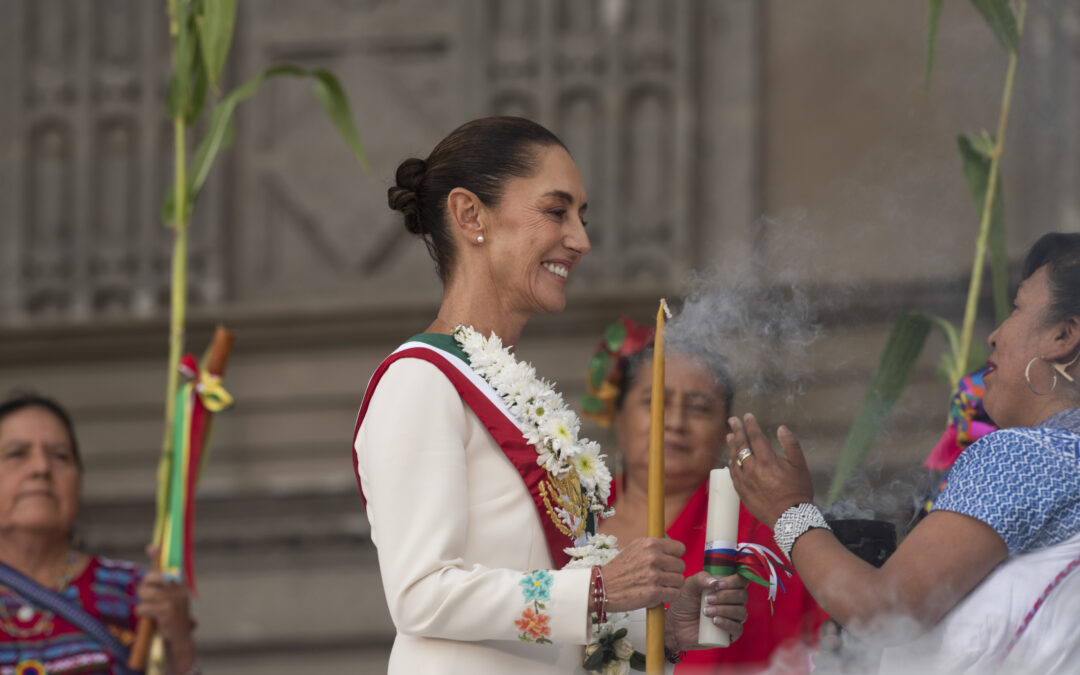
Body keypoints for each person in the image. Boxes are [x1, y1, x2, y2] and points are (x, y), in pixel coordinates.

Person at [351, 116, 749, 674]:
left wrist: (656, 625)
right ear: (470, 215)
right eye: (556, 211)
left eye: (582, 218)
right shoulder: (420, 381)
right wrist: (597, 590)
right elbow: (422, 594)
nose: (581, 240)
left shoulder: (511, 388)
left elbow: (539, 594)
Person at [726, 232, 1080, 674]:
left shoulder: (1026, 456)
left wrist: (789, 512)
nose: (993, 335)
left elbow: (885, 614)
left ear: (1063, 335)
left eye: (1016, 308)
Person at [584, 320, 828, 673]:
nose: (676, 422)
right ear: (618, 417)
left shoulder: (762, 533)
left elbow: (813, 651)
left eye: (699, 407)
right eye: (655, 402)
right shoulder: (571, 511)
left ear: (722, 432)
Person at [0, 394, 199, 675]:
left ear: (78, 481)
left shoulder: (137, 594)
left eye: (59, 456)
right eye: (17, 453)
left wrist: (179, 646)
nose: (41, 468)